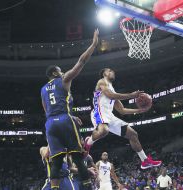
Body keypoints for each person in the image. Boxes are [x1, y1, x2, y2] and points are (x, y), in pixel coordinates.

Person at [41, 29, 99, 190]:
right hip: (64, 120)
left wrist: (69, 117)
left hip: (50, 124)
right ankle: (87, 187)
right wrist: (93, 44)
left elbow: (47, 110)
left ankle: (54, 188)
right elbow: (81, 62)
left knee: (57, 160)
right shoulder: (64, 79)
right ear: (55, 73)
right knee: (77, 156)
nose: (62, 71)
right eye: (60, 70)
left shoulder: (43, 89)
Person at [84, 68, 162, 169]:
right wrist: (131, 95)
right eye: (109, 71)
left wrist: (139, 111)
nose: (112, 72)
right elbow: (110, 95)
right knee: (104, 131)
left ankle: (144, 160)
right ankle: (88, 142)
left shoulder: (112, 89)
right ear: (104, 73)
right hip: (99, 112)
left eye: (113, 71)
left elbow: (122, 110)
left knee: (133, 134)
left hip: (109, 115)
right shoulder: (102, 81)